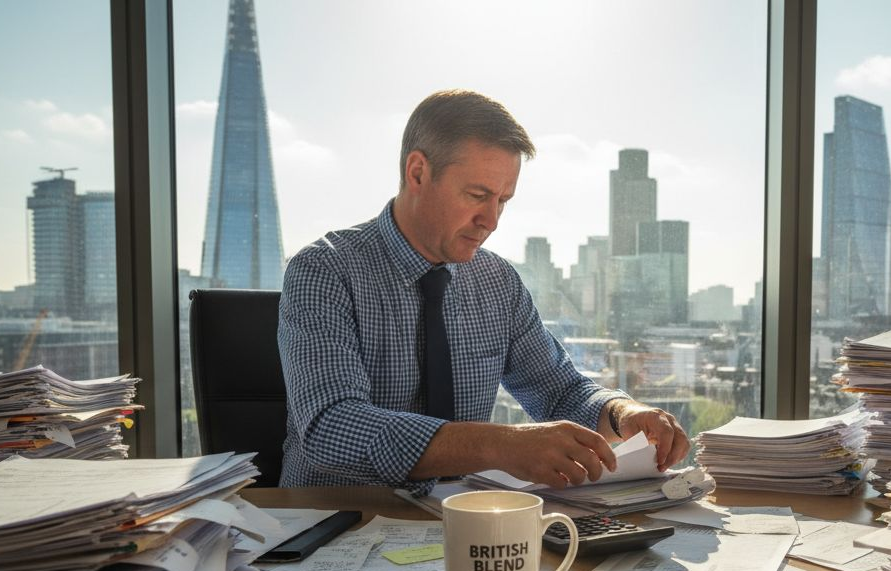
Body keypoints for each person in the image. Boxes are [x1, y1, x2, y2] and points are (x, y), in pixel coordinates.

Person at [278, 89, 689, 492]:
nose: (491, 220)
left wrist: (623, 413)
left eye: (503, 201)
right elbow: (332, 427)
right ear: (417, 172)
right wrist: (500, 445)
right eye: (477, 195)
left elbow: (560, 390)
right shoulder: (324, 270)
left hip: (464, 524)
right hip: (336, 523)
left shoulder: (497, 282)